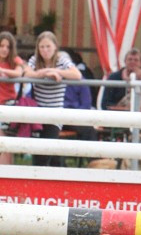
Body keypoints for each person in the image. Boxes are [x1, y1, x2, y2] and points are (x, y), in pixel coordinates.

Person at [22, 31, 81, 166]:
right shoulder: (34, 59)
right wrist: (44, 73)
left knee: (47, 151)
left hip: (55, 113)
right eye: (42, 47)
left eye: (48, 46)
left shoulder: (62, 60)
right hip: (38, 113)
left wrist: (57, 72)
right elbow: (27, 73)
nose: (45, 50)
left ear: (55, 47)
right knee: (40, 153)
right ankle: (39, 181)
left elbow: (77, 74)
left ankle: (46, 180)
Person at [0, 32, 24, 165]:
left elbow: (19, 73)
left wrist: (3, 72)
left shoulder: (15, 60)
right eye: (1, 45)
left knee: (5, 141)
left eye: (7, 47)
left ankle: (6, 172)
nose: (4, 49)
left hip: (8, 105)